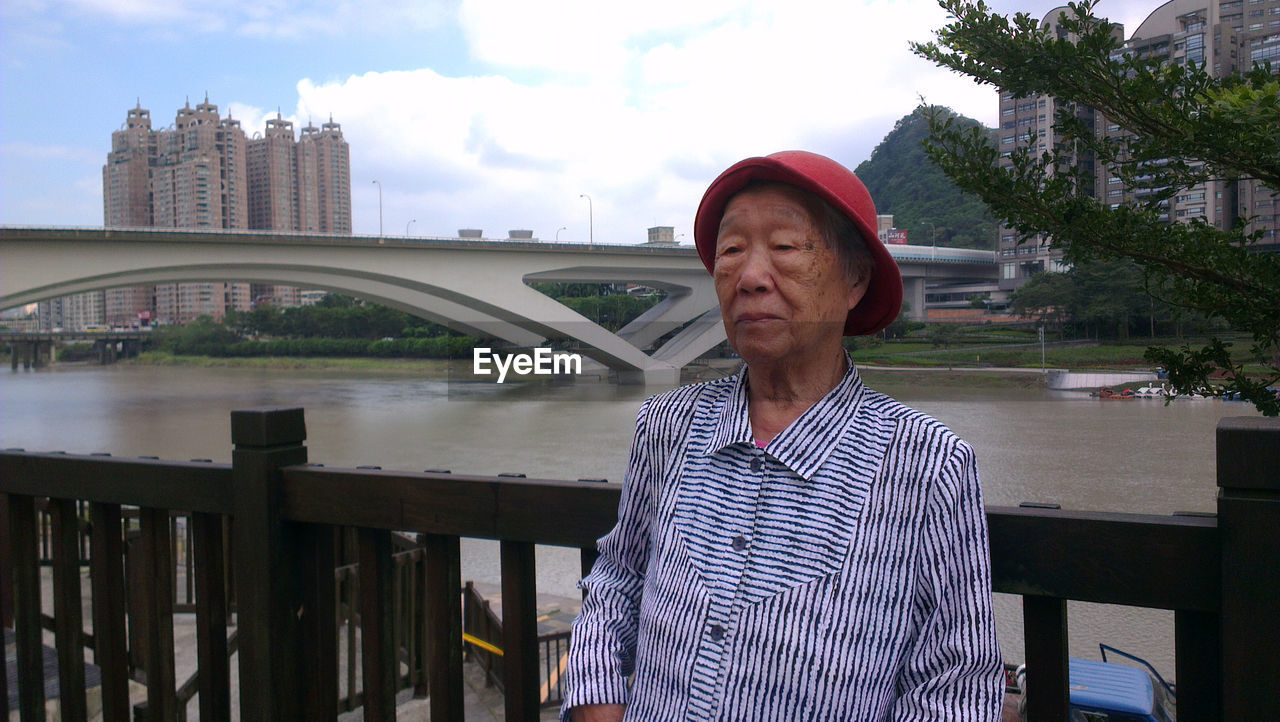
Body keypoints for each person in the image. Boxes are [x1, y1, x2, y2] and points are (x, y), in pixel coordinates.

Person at [561, 151, 1003, 721]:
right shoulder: (667, 426)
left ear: (855, 280)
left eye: (787, 247)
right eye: (731, 250)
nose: (749, 278)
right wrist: (600, 706)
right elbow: (617, 580)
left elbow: (955, 686)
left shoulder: (928, 463)